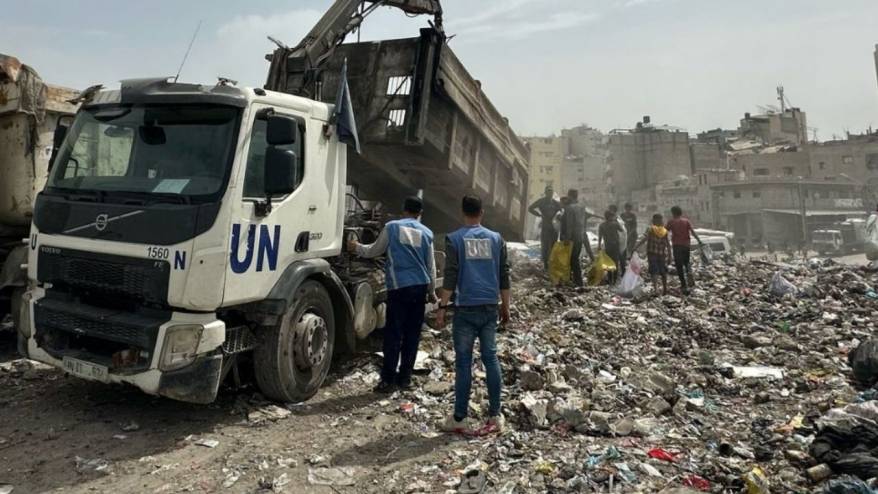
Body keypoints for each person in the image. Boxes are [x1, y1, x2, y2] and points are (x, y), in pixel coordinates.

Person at [437, 195, 510, 435]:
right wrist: (505, 305)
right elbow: (503, 274)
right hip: (490, 306)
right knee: (490, 359)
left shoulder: (455, 239)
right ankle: (495, 416)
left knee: (464, 363)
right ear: (482, 212)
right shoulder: (496, 239)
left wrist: (442, 307)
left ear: (462, 212)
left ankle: (459, 418)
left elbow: (450, 275)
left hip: (465, 308)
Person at [348, 196, 436, 392]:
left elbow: (374, 251)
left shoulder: (392, 227)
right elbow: (431, 267)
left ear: (404, 209)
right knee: (412, 335)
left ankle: (387, 381)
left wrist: (356, 248)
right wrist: (431, 293)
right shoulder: (427, 233)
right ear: (420, 213)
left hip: (399, 287)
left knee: (394, 334)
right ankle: (405, 379)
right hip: (420, 287)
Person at [632, 214, 673, 296]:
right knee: (663, 271)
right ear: (661, 221)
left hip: (652, 254)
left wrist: (635, 247)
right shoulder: (664, 231)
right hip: (662, 254)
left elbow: (644, 239)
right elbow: (668, 244)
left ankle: (656, 289)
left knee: (654, 272)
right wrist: (670, 256)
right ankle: (665, 289)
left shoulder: (650, 229)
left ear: (654, 221)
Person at [666, 205, 702, 295]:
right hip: (686, 246)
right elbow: (692, 232)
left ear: (673, 213)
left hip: (677, 246)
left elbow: (663, 231)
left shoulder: (671, 222)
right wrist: (699, 241)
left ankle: (683, 284)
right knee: (687, 263)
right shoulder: (686, 221)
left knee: (679, 266)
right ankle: (690, 277)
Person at [561, 189, 594, 287]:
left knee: (573, 259)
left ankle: (578, 282)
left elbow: (570, 225)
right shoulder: (582, 207)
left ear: (570, 196)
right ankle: (575, 280)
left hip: (573, 237)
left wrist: (567, 238)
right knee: (575, 258)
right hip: (580, 236)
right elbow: (583, 222)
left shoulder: (569, 208)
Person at [528, 186, 562, 270]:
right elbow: (530, 208)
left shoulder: (555, 203)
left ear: (552, 193)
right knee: (545, 246)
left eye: (551, 192)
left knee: (554, 246)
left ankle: (553, 265)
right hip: (545, 226)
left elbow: (562, 210)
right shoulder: (541, 201)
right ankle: (546, 266)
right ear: (545, 192)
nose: (549, 193)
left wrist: (558, 217)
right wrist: (538, 214)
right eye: (548, 192)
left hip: (554, 228)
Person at [598, 210, 625, 285]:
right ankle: (614, 280)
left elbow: (600, 236)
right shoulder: (615, 224)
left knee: (608, 262)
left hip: (608, 246)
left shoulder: (602, 225)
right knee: (615, 262)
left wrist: (599, 245)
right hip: (615, 245)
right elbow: (622, 230)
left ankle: (610, 280)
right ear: (610, 217)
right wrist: (616, 220)